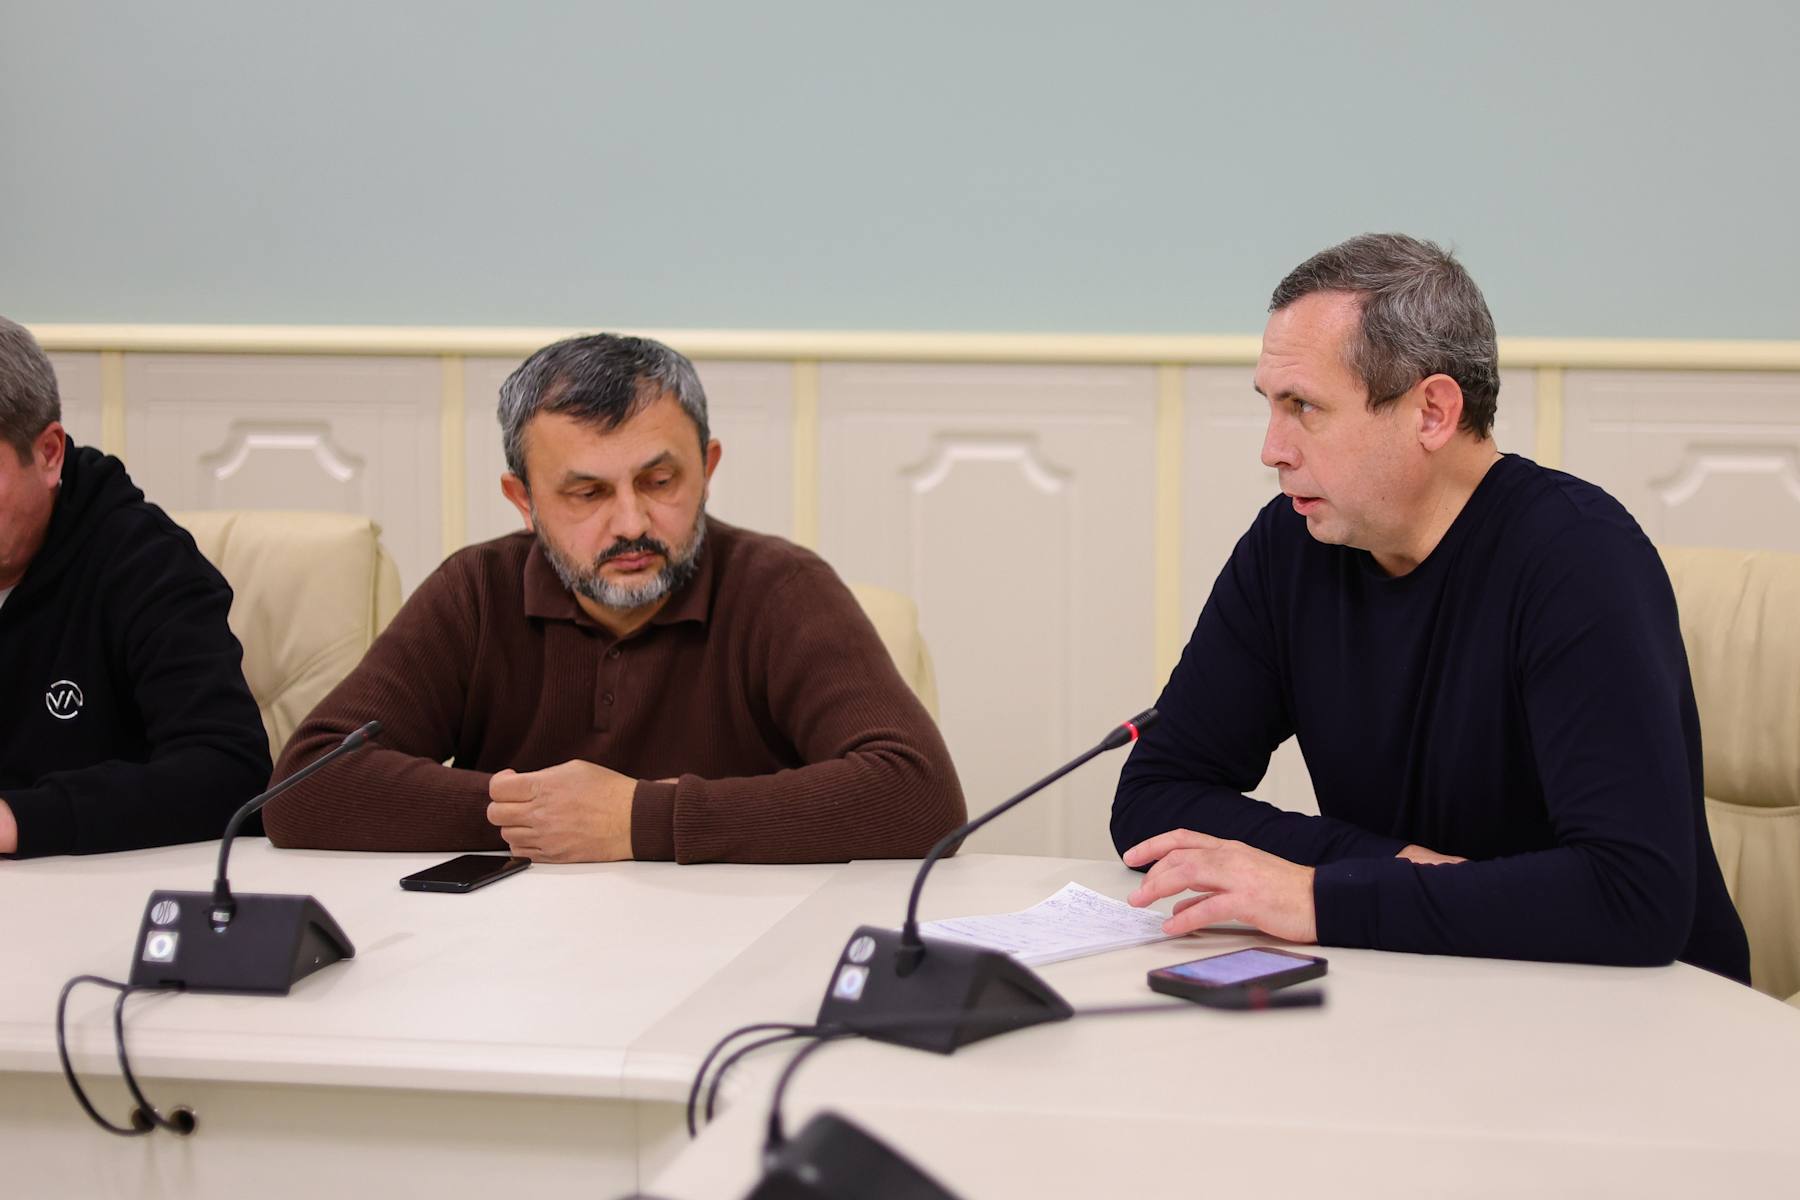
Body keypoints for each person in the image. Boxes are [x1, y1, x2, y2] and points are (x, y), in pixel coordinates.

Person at [1112, 235, 1749, 981]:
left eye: (1303, 407)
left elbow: (1632, 899)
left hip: (1645, 1010)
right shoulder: (1292, 545)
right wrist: (1379, 865)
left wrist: (1320, 895)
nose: (1272, 449)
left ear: (1433, 412)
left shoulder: (1580, 557)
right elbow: (1154, 796)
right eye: (1270, 406)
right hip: (1425, 983)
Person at [264, 333, 965, 862]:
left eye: (660, 482)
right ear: (524, 500)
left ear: (707, 469)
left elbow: (918, 795)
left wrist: (636, 818)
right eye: (587, 493)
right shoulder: (477, 590)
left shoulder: (782, 588)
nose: (631, 523)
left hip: (731, 944)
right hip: (515, 957)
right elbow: (304, 789)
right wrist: (547, 818)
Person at [0, 316, 271, 857]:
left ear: (49, 453)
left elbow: (229, 770)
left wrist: (23, 820)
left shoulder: (148, 564)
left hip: (102, 891)